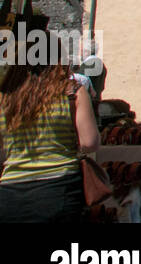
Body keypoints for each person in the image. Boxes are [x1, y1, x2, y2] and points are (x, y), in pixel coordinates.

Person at [0, 17, 100, 222]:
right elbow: (90, 142)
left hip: (10, 192)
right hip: (59, 188)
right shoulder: (72, 92)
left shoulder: (6, 98)